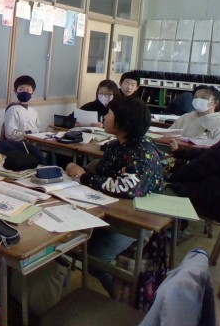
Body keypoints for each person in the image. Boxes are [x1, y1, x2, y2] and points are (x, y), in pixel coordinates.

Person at [66, 96, 164, 297]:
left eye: (110, 113)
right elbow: (102, 173)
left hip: (134, 219)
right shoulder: (115, 145)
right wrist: (83, 174)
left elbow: (125, 188)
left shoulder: (142, 152)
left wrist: (84, 176)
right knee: (71, 237)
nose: (104, 116)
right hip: (107, 209)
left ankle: (124, 298)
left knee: (96, 259)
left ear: (124, 122)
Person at [166, 134, 220, 223]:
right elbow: (209, 153)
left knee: (168, 190)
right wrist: (179, 152)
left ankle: (174, 227)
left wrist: (170, 179)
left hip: (216, 202)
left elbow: (198, 168)